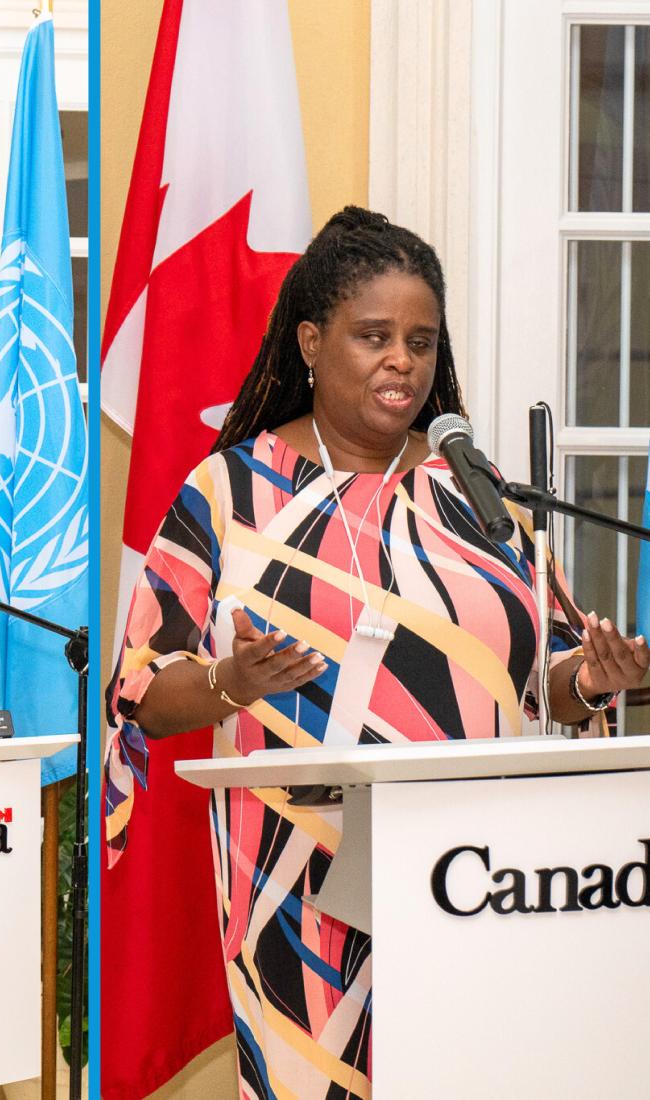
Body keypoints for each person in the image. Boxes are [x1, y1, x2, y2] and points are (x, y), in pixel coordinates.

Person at [103, 207, 650, 1098]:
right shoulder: (230, 490)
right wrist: (229, 682)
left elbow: (546, 678)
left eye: (422, 340)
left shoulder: (472, 496)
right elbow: (141, 695)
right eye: (375, 336)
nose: (404, 361)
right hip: (295, 871)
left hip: (475, 871)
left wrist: (590, 677)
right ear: (312, 342)